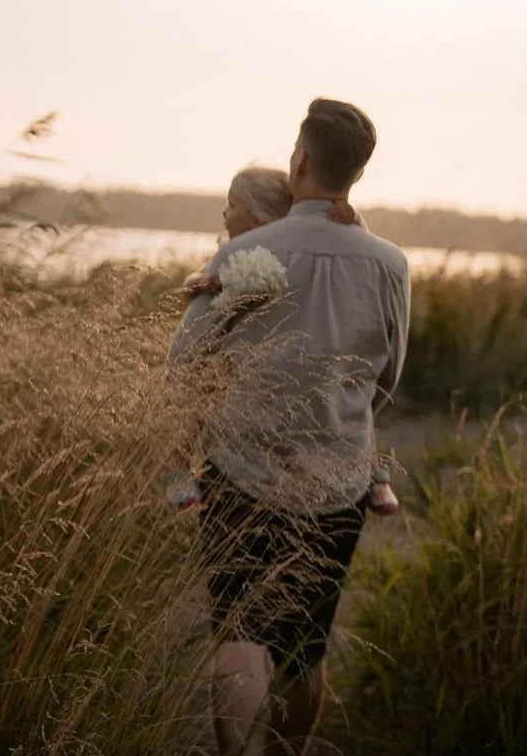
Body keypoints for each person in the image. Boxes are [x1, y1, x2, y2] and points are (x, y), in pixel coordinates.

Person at [167, 99, 411, 756]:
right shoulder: (390, 264)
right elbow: (385, 379)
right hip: (335, 483)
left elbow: (183, 365)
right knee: (304, 652)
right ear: (356, 172)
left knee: (240, 637)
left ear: (300, 159)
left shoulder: (244, 254)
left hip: (241, 475)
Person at [171, 165, 399, 515]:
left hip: (279, 389)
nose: (224, 213)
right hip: (243, 376)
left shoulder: (270, 253)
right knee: (352, 388)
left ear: (259, 220)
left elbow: (357, 246)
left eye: (232, 205)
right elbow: (195, 281)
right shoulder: (233, 252)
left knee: (352, 385)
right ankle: (178, 467)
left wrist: (355, 217)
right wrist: (198, 281)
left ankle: (376, 474)